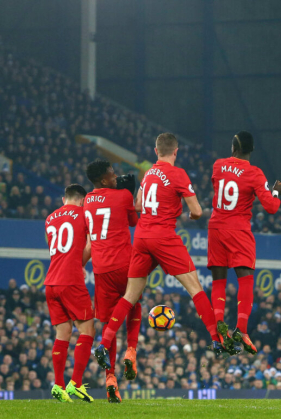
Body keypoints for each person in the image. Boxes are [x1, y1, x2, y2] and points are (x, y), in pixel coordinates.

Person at [94, 133, 226, 370]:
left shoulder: (149, 174)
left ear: (156, 151)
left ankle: (103, 344)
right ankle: (217, 341)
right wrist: (180, 213)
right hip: (164, 237)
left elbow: (136, 206)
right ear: (176, 152)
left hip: (142, 237)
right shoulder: (178, 174)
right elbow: (196, 211)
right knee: (195, 287)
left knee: (129, 296)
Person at [208, 131, 281, 358]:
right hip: (238, 229)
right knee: (246, 279)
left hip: (216, 228)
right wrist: (277, 191)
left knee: (219, 281)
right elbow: (271, 206)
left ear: (233, 148)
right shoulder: (255, 173)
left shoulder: (218, 166)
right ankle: (241, 329)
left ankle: (220, 325)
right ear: (251, 151)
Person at [84, 160, 140, 403]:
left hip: (100, 269)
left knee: (109, 321)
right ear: (104, 179)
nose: (116, 176)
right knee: (133, 303)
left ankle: (110, 379)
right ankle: (131, 351)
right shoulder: (123, 197)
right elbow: (134, 222)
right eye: (112, 174)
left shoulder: (87, 200)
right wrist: (130, 192)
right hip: (124, 263)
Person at [45, 184, 95, 403]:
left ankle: (58, 385)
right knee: (87, 329)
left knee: (63, 332)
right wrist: (80, 264)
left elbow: (56, 250)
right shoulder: (85, 213)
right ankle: (74, 383)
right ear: (82, 199)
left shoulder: (49, 218)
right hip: (70, 280)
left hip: (51, 282)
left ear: (64, 199)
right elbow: (91, 245)